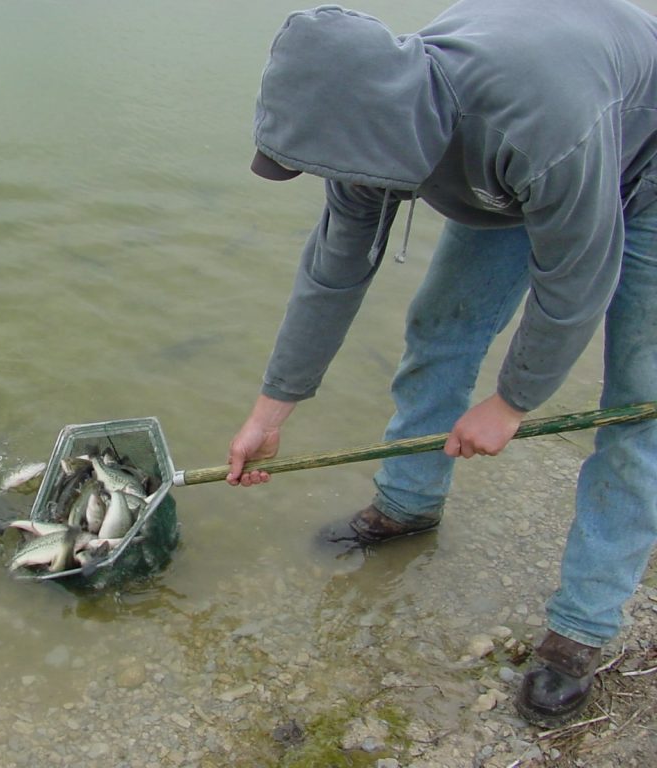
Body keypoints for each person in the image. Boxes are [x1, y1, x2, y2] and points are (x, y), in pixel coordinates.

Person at [225, 0, 657, 729]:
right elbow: (335, 271)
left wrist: (512, 403)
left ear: (376, 125)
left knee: (635, 402)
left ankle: (580, 629)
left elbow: (576, 280)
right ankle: (409, 503)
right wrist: (273, 407)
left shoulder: (541, 123)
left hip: (635, 170)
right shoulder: (370, 121)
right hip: (512, 173)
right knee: (438, 326)